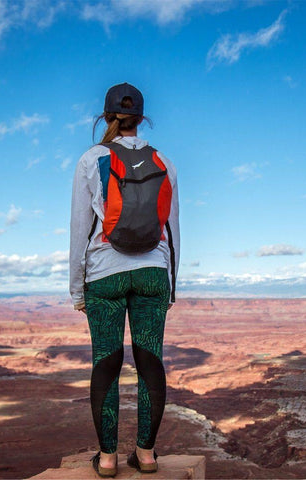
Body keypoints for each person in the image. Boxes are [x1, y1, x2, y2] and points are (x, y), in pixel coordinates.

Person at [69, 82, 180, 477]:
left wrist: (75, 287)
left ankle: (108, 459)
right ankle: (147, 455)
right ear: (141, 118)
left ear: (106, 116)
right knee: (150, 361)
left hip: (104, 274)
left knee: (107, 363)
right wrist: (171, 283)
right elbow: (172, 227)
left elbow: (80, 228)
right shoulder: (163, 160)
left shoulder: (92, 158)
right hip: (153, 271)